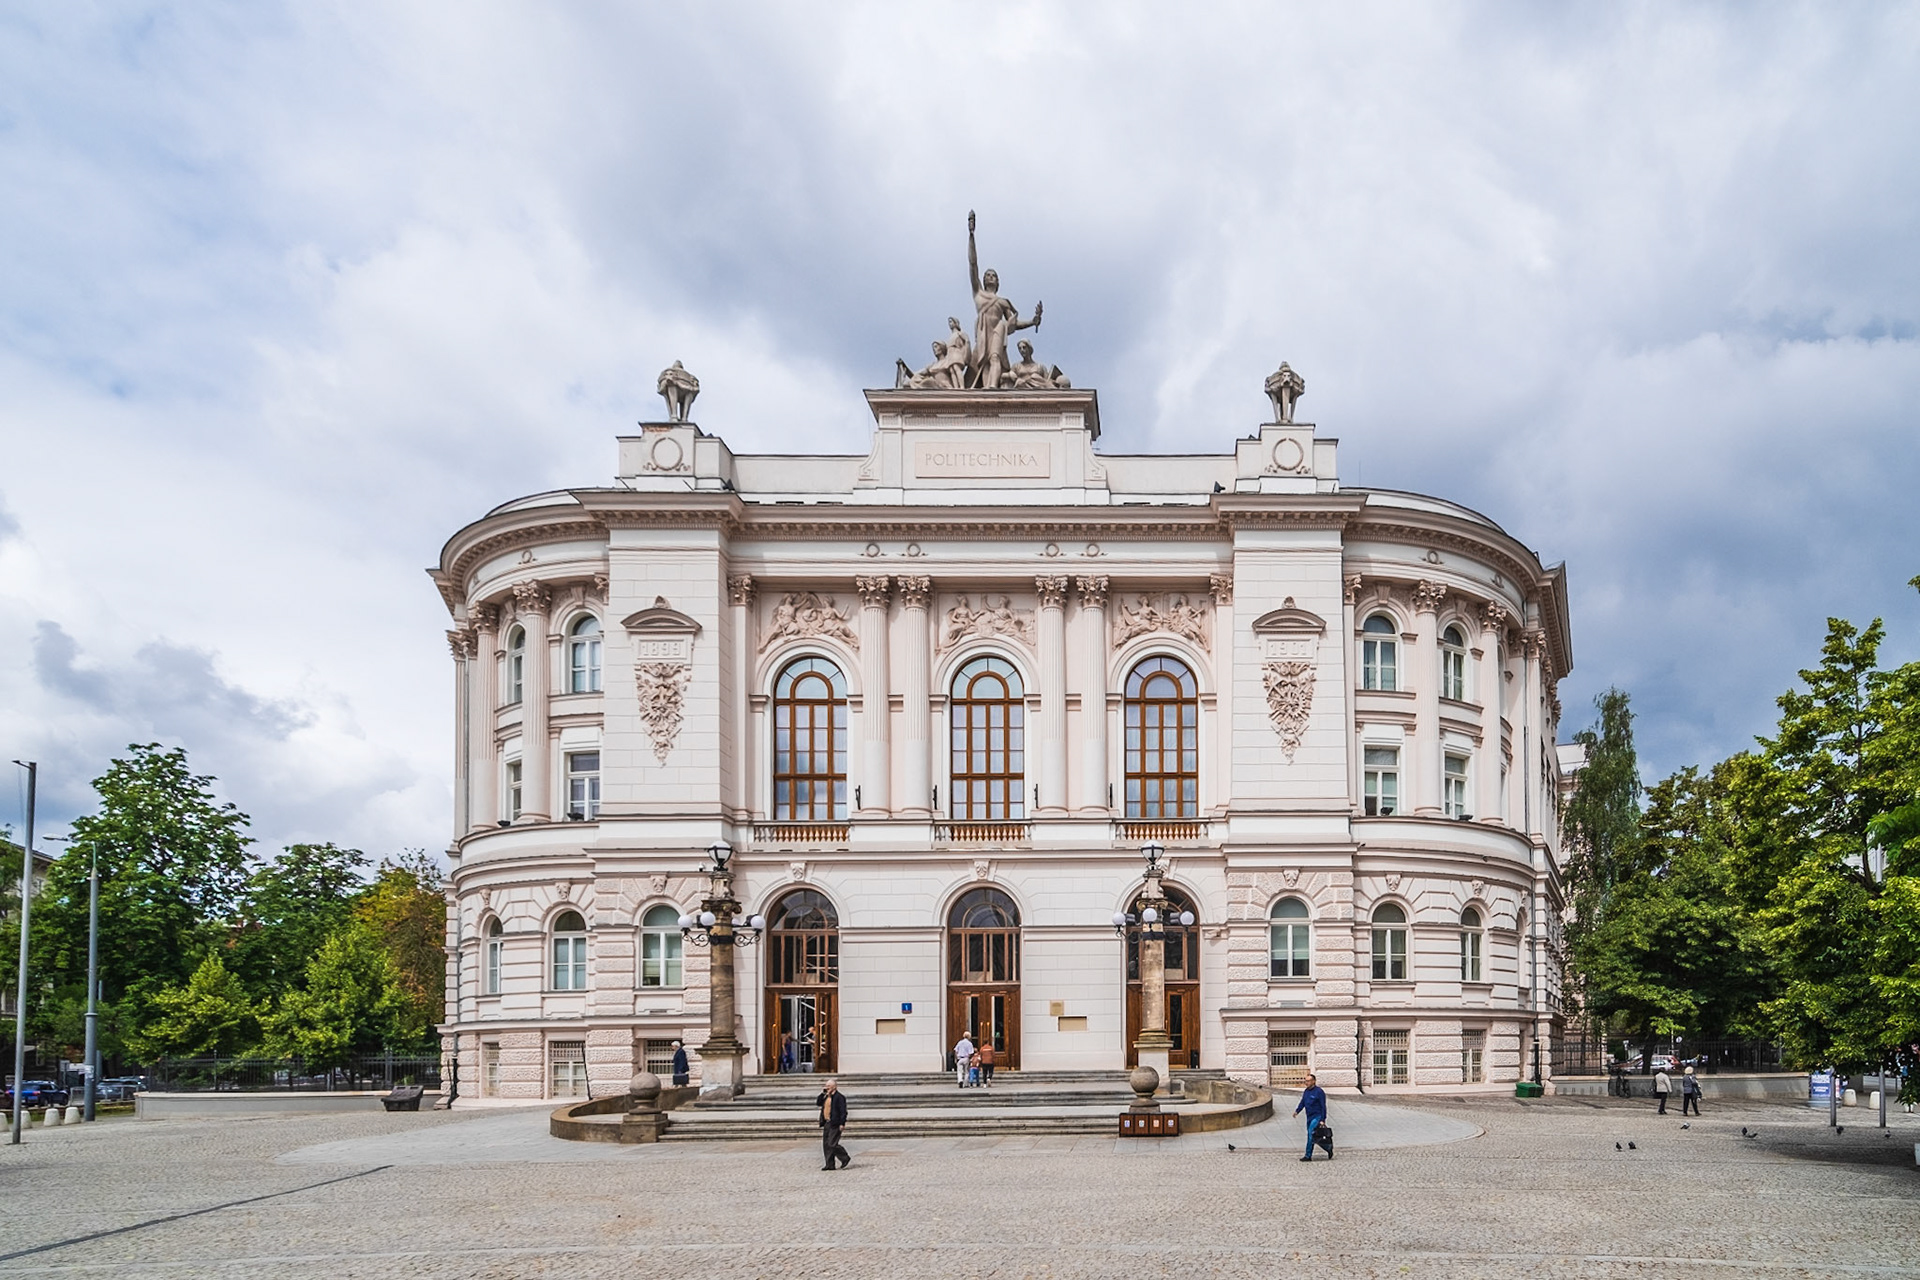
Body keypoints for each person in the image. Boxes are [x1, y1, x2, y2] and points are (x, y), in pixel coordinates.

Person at [815, 1078, 850, 1171]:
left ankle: (845, 1157)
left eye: (829, 1086)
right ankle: (829, 1164)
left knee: (832, 1144)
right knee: (826, 1144)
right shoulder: (826, 1096)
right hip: (826, 1122)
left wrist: (842, 1123)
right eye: (826, 1086)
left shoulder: (839, 1097)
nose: (827, 1088)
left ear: (834, 1087)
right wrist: (823, 1093)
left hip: (835, 1123)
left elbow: (843, 1111)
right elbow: (818, 1103)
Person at [1294, 1072, 1329, 1162]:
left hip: (1317, 1116)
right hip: (1309, 1116)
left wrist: (1322, 1119)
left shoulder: (1319, 1092)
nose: (1306, 1083)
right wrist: (1297, 1111)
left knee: (1311, 1134)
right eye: (1305, 1081)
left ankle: (1308, 1155)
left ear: (1313, 1081)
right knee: (1314, 1136)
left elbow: (1323, 1106)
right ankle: (1328, 1148)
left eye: (1308, 1081)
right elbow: (1303, 1102)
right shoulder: (1306, 1091)